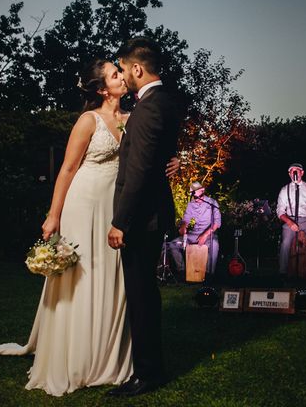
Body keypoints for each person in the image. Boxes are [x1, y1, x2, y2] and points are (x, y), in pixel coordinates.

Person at [0, 59, 179, 397]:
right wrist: (53, 214)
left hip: (116, 207)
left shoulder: (133, 118)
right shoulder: (87, 121)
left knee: (114, 279)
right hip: (85, 203)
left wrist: (172, 161)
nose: (122, 76)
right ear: (103, 88)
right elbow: (67, 169)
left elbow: (145, 157)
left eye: (121, 71)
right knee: (84, 277)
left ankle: (110, 356)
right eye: (115, 73)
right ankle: (77, 356)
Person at [107, 38, 180, 398]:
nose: (121, 74)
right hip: (152, 214)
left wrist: (121, 221)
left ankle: (148, 373)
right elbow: (159, 155)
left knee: (141, 296)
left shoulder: (149, 107)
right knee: (144, 294)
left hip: (142, 218)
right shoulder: (165, 102)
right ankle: (149, 367)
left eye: (122, 68)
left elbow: (138, 171)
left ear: (137, 69)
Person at [276, 163, 306, 278]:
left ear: (302, 173)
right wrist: (289, 222)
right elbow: (280, 211)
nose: (294, 173)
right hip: (290, 219)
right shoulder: (284, 190)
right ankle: (282, 272)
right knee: (285, 242)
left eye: (296, 171)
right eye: (292, 171)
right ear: (289, 174)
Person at [166, 181, 221, 278]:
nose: (195, 199)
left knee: (214, 245)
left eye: (196, 196)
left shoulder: (212, 203)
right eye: (193, 196)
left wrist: (205, 235)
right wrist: (183, 227)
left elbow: (217, 223)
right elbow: (186, 220)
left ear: (202, 191)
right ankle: (182, 271)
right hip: (194, 234)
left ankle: (208, 274)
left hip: (209, 234)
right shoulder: (191, 204)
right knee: (174, 244)